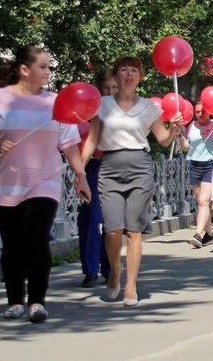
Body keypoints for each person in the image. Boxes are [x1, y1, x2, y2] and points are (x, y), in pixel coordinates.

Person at [0, 45, 92, 323]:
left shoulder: (56, 102)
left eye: (49, 67)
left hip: (44, 180)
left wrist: (80, 175)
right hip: (5, 182)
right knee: (12, 243)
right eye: (43, 67)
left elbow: (70, 145)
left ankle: (37, 301)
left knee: (36, 237)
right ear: (24, 70)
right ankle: (14, 301)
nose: (48, 72)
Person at [82, 56, 183, 307]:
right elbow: (93, 140)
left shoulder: (149, 107)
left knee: (134, 231)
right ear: (116, 76)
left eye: (134, 71)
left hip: (139, 166)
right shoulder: (102, 105)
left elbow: (163, 139)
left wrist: (173, 129)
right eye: (124, 70)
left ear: (140, 77)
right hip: (110, 166)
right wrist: (79, 171)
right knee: (113, 229)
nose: (129, 74)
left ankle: (131, 286)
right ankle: (115, 271)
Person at [77, 69, 117, 288]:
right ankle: (90, 270)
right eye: (106, 88)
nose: (110, 92)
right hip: (93, 165)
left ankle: (109, 267)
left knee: (112, 220)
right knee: (92, 219)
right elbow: (87, 140)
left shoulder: (124, 109)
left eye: (114, 88)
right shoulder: (90, 110)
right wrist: (80, 171)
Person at [179, 101, 213, 248]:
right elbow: (186, 147)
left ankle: (198, 234)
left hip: (210, 165)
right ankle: (209, 234)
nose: (200, 115)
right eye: (197, 112)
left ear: (209, 111)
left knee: (204, 201)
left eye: (203, 111)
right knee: (200, 202)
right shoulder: (191, 126)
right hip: (194, 165)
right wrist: (179, 135)